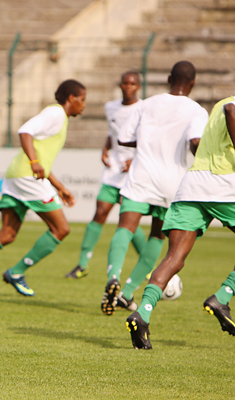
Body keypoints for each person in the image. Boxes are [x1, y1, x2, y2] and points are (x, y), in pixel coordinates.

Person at [100, 61, 208, 316]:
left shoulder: (147, 104)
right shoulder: (197, 110)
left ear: (169, 78)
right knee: (158, 237)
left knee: (125, 228)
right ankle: (127, 293)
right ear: (192, 84)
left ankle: (113, 276)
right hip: (173, 182)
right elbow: (195, 142)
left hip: (141, 176)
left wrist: (151, 138)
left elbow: (124, 138)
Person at [126, 96, 235, 349]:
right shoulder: (230, 105)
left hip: (193, 184)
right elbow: (233, 111)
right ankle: (223, 296)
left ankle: (142, 313)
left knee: (174, 257)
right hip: (225, 186)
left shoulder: (220, 102)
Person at [0, 79, 85, 296]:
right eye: (82, 100)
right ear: (71, 98)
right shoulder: (56, 113)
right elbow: (25, 131)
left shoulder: (59, 118)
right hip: (27, 177)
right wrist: (33, 163)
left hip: (16, 176)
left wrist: (58, 186)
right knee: (61, 229)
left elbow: (42, 160)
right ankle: (17, 272)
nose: (84, 105)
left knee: (8, 234)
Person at [66, 72, 147, 279]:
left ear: (138, 87)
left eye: (132, 83)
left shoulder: (144, 108)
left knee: (128, 219)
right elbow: (114, 134)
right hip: (113, 170)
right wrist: (105, 148)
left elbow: (149, 139)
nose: (128, 86)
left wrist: (135, 159)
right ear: (120, 84)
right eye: (125, 82)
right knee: (100, 212)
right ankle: (83, 264)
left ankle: (148, 266)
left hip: (134, 172)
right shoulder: (110, 106)